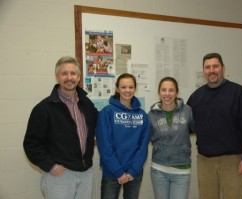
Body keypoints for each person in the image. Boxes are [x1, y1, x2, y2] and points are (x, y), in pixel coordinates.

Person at [23, 56, 98, 199]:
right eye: (64, 73)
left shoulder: (86, 104)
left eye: (73, 73)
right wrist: (51, 166)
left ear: (79, 77)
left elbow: (101, 125)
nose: (69, 77)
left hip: (85, 173)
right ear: (57, 77)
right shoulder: (44, 108)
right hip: (60, 176)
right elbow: (31, 144)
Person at [187, 52, 242, 199]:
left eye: (215, 66)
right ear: (203, 71)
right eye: (208, 67)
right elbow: (187, 126)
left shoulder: (240, 94)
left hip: (233, 160)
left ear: (223, 68)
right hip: (205, 160)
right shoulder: (196, 97)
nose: (211, 70)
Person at [95, 73, 150, 199]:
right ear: (117, 89)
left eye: (131, 87)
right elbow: (104, 145)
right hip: (112, 172)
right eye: (123, 87)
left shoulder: (142, 115)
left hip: (134, 173)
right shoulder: (107, 112)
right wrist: (118, 172)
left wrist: (134, 170)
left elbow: (143, 145)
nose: (127, 90)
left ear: (135, 89)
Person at [148, 77, 195, 199]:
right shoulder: (151, 114)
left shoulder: (187, 111)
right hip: (158, 169)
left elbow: (200, 130)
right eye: (164, 90)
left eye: (171, 90)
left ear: (177, 92)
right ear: (159, 92)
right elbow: (143, 140)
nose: (167, 94)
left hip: (182, 170)